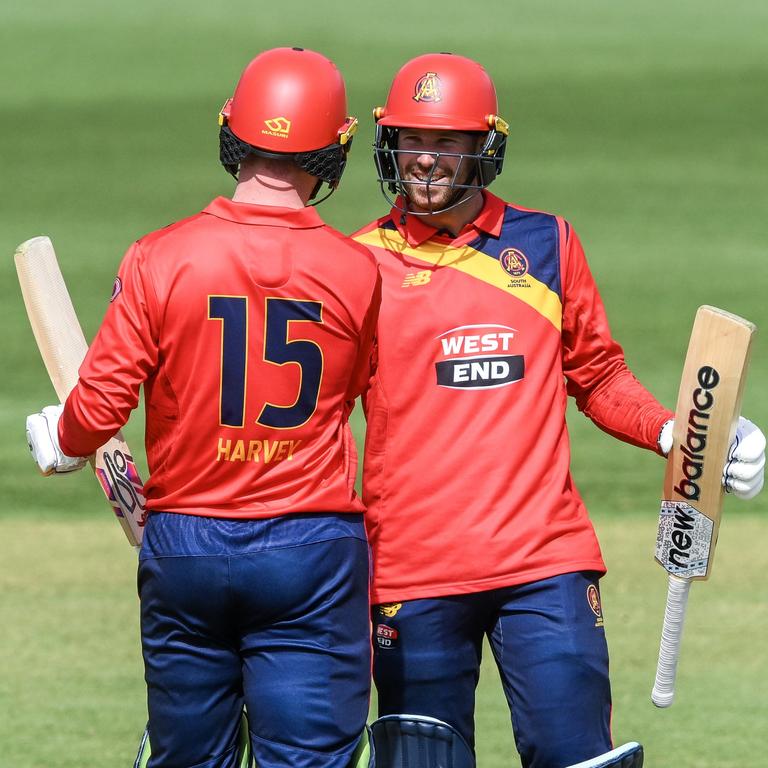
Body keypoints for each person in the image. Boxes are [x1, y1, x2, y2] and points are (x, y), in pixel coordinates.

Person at [351, 53, 765, 768]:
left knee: (577, 757)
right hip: (411, 569)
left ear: (485, 146)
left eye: (447, 141)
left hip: (544, 563)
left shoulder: (546, 245)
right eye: (414, 139)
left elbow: (598, 375)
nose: (426, 159)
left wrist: (683, 435)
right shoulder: (356, 264)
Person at [26, 47, 380, 768]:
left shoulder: (161, 256)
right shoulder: (358, 270)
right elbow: (370, 400)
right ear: (335, 151)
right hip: (309, 549)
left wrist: (61, 440)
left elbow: (98, 408)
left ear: (232, 133)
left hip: (184, 545)